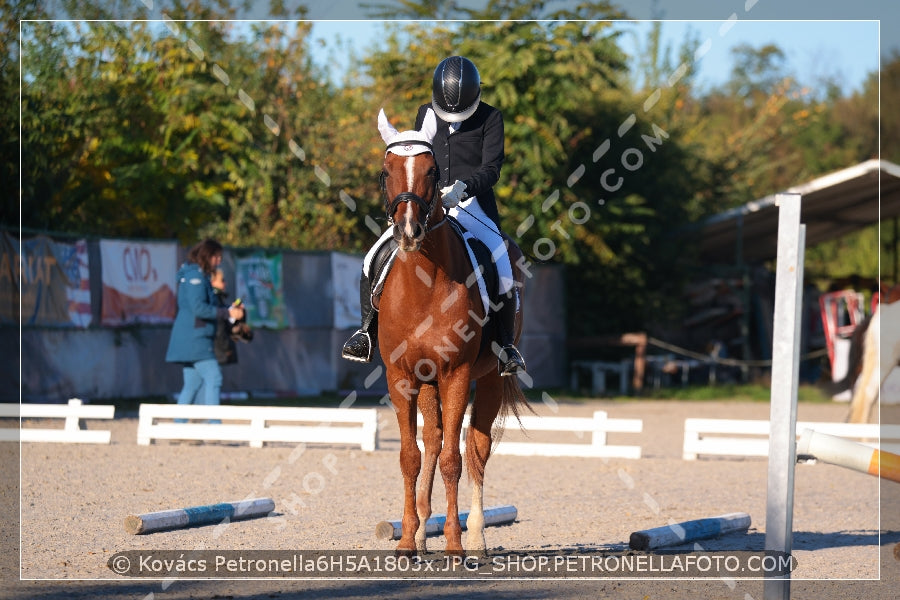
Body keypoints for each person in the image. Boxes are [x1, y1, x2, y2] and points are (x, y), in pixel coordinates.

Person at [342, 55, 526, 376]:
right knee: (373, 257)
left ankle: (506, 344)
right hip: (426, 202)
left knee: (503, 263)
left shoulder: (490, 118)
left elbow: (492, 168)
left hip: (473, 204)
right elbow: (417, 156)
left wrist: (463, 188)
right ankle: (366, 333)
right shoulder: (426, 113)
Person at [166, 239, 244, 420]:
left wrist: (228, 312)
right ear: (207, 256)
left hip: (194, 336)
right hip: (196, 337)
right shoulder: (196, 277)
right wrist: (227, 313)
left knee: (192, 384)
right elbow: (198, 308)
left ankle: (178, 426)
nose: (218, 261)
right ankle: (213, 425)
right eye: (216, 257)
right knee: (214, 377)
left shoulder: (197, 275)